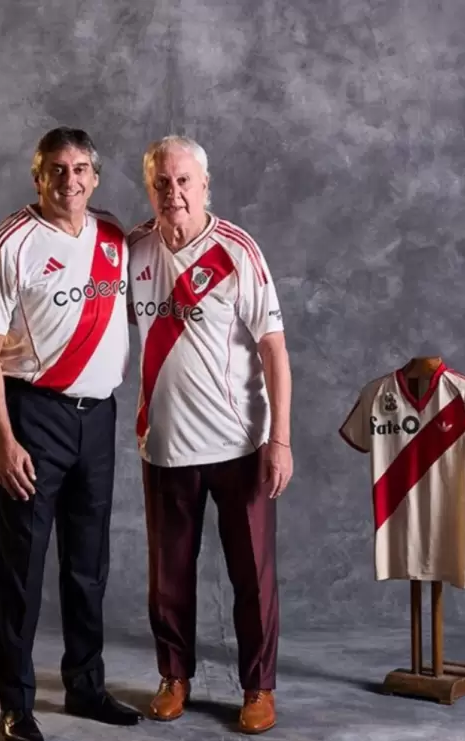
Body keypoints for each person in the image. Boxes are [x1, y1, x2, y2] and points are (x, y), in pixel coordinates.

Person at [0, 127, 143, 741]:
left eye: (82, 169)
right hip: (34, 417)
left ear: (95, 176)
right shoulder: (10, 242)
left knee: (88, 564)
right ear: (37, 176)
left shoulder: (113, 236)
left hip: (100, 417)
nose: (71, 181)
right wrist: (2, 438)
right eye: (57, 170)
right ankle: (16, 704)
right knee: (24, 567)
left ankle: (86, 688)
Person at [126, 135, 294, 735]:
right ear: (150, 188)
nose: (174, 192)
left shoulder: (238, 251)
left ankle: (257, 687)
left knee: (252, 577)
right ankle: (174, 677)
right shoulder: (133, 250)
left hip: (240, 445)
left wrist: (280, 439)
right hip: (165, 444)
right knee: (168, 577)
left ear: (204, 185)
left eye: (184, 181)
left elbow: (274, 348)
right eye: (162, 182)